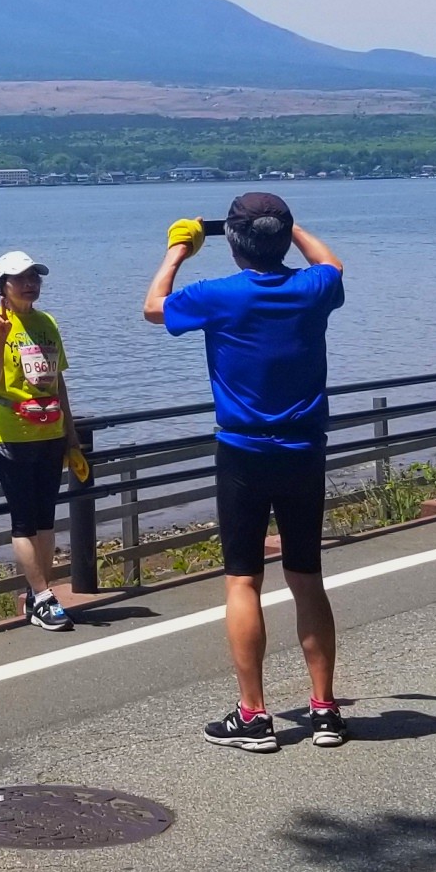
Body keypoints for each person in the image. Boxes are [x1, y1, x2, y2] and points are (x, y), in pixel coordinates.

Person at [145, 192, 350, 751]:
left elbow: (154, 306)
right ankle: (325, 711)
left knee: (243, 579)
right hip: (304, 449)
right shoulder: (312, 290)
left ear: (233, 244)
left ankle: (255, 716)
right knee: (306, 577)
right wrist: (289, 226)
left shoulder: (218, 296)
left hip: (242, 451)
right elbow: (331, 264)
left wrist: (178, 251)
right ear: (282, 238)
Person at [0, 250, 87, 632]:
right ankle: (42, 596)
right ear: (2, 286)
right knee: (23, 521)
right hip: (11, 434)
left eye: (34, 277)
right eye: (20, 278)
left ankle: (39, 596)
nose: (30, 283)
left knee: (45, 520)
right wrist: (0, 339)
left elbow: (59, 380)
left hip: (51, 432)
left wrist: (71, 434)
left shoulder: (47, 322)